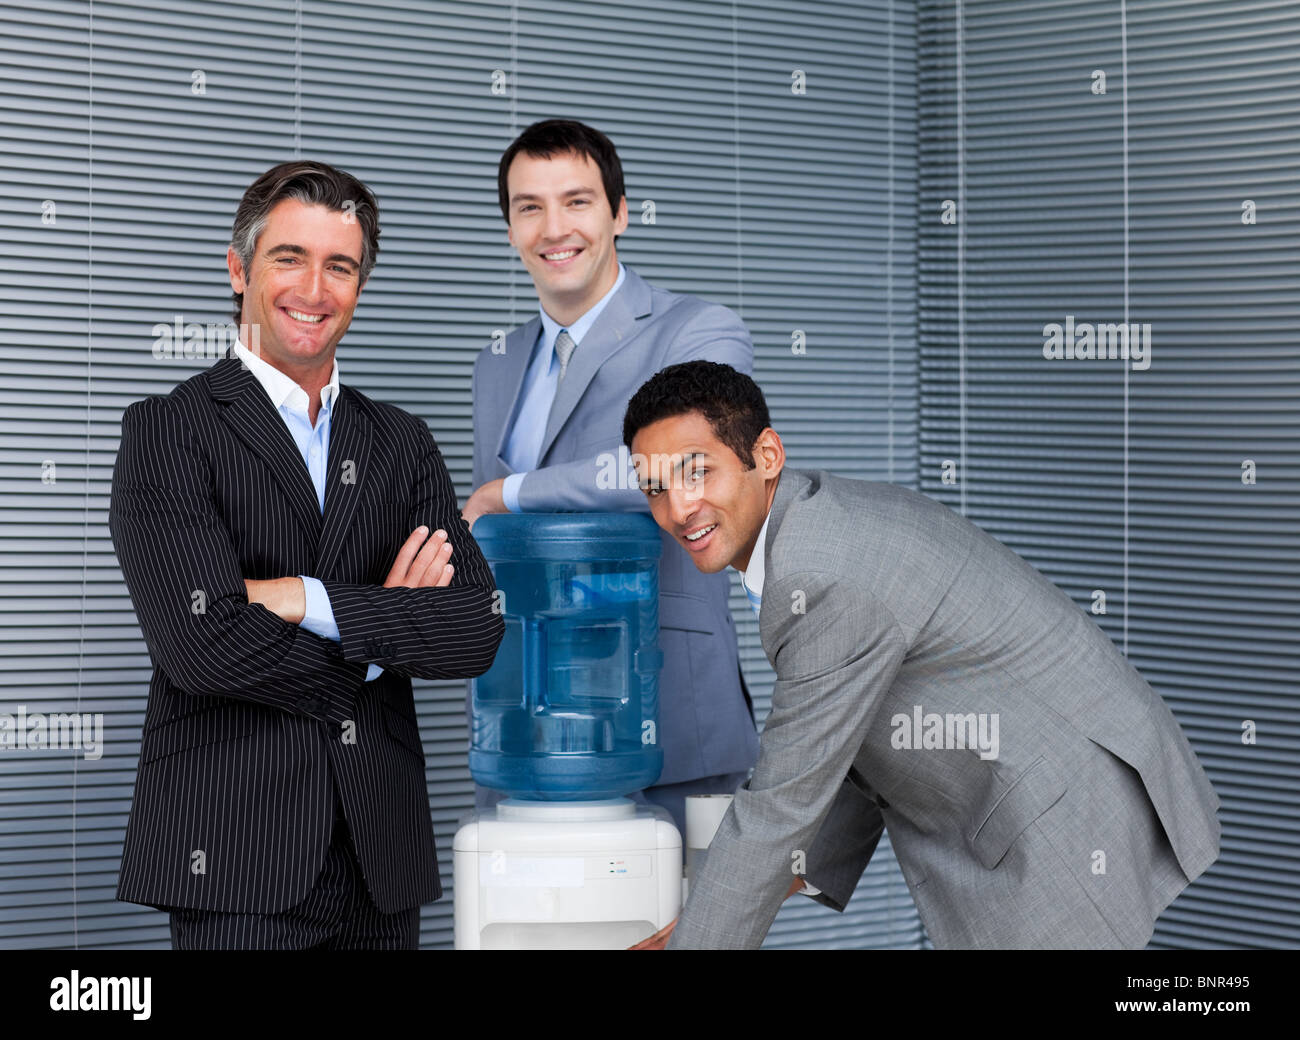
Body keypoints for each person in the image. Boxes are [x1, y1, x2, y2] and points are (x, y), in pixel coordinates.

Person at [622, 361, 1221, 949]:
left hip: (1063, 801)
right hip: (1045, 777)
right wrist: (714, 917)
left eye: (697, 472)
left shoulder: (823, 576)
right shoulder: (807, 527)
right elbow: (844, 744)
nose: (679, 509)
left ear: (767, 455)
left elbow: (781, 802)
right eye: (656, 488)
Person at [109, 160, 504, 949]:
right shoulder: (169, 429)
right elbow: (201, 644)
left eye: (341, 266)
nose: (314, 290)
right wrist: (379, 626)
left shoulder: (400, 441)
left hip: (380, 862)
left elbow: (472, 627)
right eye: (289, 257)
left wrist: (298, 595)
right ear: (238, 266)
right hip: (236, 860)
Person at [464, 120, 759, 833]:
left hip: (668, 725)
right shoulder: (496, 363)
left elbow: (679, 464)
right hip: (525, 733)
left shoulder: (698, 331)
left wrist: (511, 493)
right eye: (528, 206)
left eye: (577, 201)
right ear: (508, 227)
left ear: (620, 213)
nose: (553, 227)